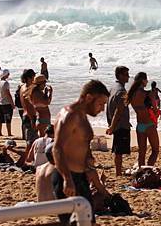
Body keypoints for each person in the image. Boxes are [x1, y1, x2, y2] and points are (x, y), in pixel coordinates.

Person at [52, 80, 109, 226]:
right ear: (89, 98)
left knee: (88, 221)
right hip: (67, 176)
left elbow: (81, 144)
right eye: (101, 104)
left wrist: (89, 160)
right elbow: (57, 148)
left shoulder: (82, 116)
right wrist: (67, 178)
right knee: (71, 223)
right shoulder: (70, 115)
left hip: (81, 177)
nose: (102, 109)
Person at [127, 72, 160, 167]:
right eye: (146, 79)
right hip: (149, 124)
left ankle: (141, 172)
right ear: (143, 80)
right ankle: (148, 169)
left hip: (140, 125)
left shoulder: (131, 94)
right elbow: (155, 109)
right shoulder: (148, 94)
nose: (147, 81)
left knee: (141, 152)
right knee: (155, 150)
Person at [105, 66, 131, 176]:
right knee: (119, 151)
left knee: (118, 149)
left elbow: (110, 106)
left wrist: (111, 123)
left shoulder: (112, 88)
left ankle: (118, 172)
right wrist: (112, 126)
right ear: (120, 75)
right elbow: (118, 111)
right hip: (119, 124)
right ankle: (118, 173)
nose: (128, 76)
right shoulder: (121, 91)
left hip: (116, 122)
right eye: (126, 74)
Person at [19, 69, 39, 152]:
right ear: (29, 78)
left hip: (26, 115)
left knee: (30, 142)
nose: (34, 79)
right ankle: (27, 160)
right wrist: (32, 120)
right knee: (31, 142)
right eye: (33, 77)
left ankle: (28, 159)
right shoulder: (27, 89)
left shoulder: (22, 87)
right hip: (30, 116)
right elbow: (28, 106)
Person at [0, 69, 15, 136]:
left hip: (1, 102)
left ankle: (0, 133)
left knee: (0, 118)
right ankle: (9, 133)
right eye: (8, 74)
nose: (8, 75)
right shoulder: (6, 83)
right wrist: (12, 104)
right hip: (7, 103)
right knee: (8, 118)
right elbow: (8, 94)